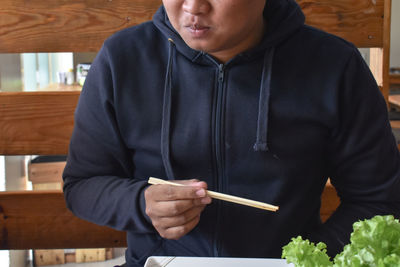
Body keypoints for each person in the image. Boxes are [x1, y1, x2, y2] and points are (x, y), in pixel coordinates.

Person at [62, 0, 400, 266]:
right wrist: (140, 204)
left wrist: (305, 260)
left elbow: (378, 198)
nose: (194, 7)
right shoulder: (123, 59)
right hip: (159, 263)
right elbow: (83, 184)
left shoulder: (334, 65)